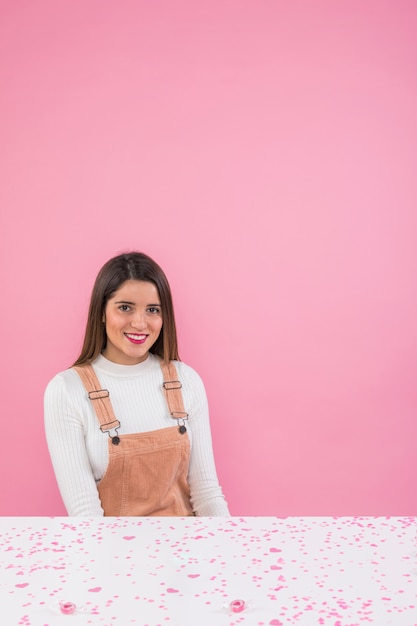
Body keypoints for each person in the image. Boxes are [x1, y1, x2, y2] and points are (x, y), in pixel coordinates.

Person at [44, 251, 230, 517]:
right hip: (111, 554)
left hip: (187, 553)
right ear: (101, 313)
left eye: (152, 310)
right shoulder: (67, 390)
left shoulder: (186, 380)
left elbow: (207, 493)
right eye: (125, 307)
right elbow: (85, 514)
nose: (140, 323)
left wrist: (228, 553)